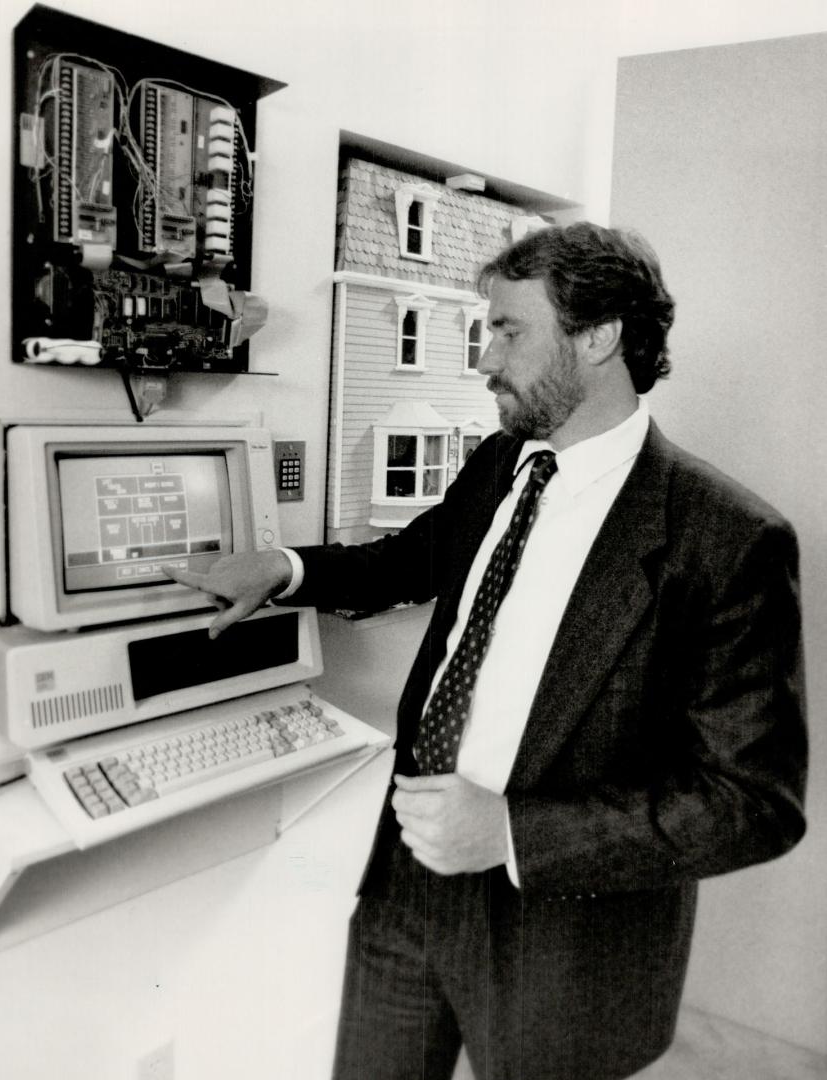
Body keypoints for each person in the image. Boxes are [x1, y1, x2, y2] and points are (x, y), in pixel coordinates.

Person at [164, 223, 807, 1080]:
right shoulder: (503, 462)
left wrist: (510, 833)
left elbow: (752, 801)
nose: (484, 357)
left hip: (567, 940)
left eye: (508, 330)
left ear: (599, 335)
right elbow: (412, 558)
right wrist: (280, 569)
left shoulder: (726, 538)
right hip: (405, 880)